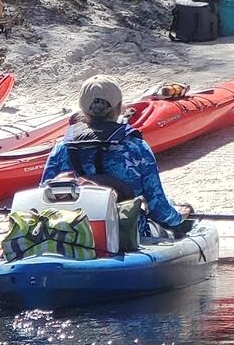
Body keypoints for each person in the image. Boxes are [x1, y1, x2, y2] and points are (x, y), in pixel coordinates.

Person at [42, 75, 192, 238]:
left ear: (81, 108)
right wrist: (179, 216)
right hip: (126, 237)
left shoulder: (60, 148)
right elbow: (158, 209)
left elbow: (43, 196)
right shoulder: (136, 147)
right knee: (179, 223)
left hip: (70, 236)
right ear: (120, 107)